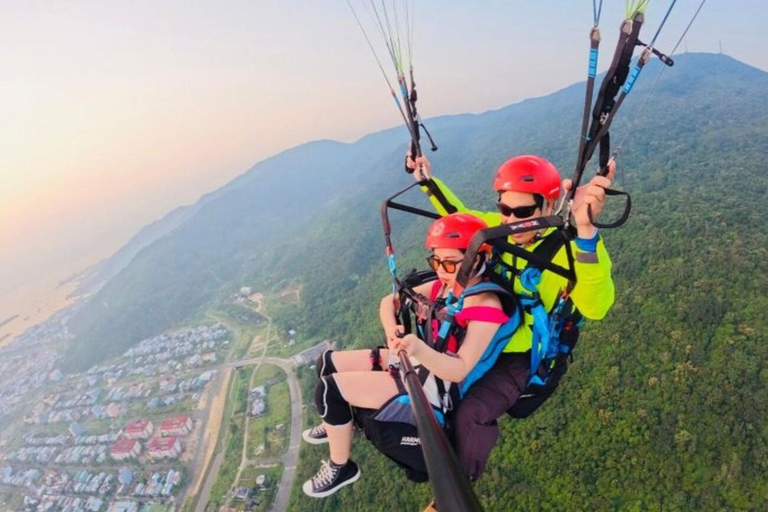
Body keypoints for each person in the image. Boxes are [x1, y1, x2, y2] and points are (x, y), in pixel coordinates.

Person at [407, 153, 616, 482]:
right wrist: (427, 182)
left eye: (523, 212)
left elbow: (596, 306)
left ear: (548, 205)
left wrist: (586, 231)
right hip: (486, 333)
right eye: (505, 209)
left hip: (518, 353)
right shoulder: (499, 228)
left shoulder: (567, 248)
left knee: (469, 414)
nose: (512, 220)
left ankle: (457, 490)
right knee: (428, 392)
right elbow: (459, 218)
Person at [301, 213, 515, 498]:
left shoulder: (487, 306)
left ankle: (341, 466)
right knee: (326, 362)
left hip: (439, 386)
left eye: (450, 262)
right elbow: (388, 302)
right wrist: (393, 332)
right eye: (436, 261)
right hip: (416, 360)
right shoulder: (444, 286)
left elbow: (460, 369)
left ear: (476, 259)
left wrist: (418, 349)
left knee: (329, 390)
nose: (441, 269)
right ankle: (338, 425)